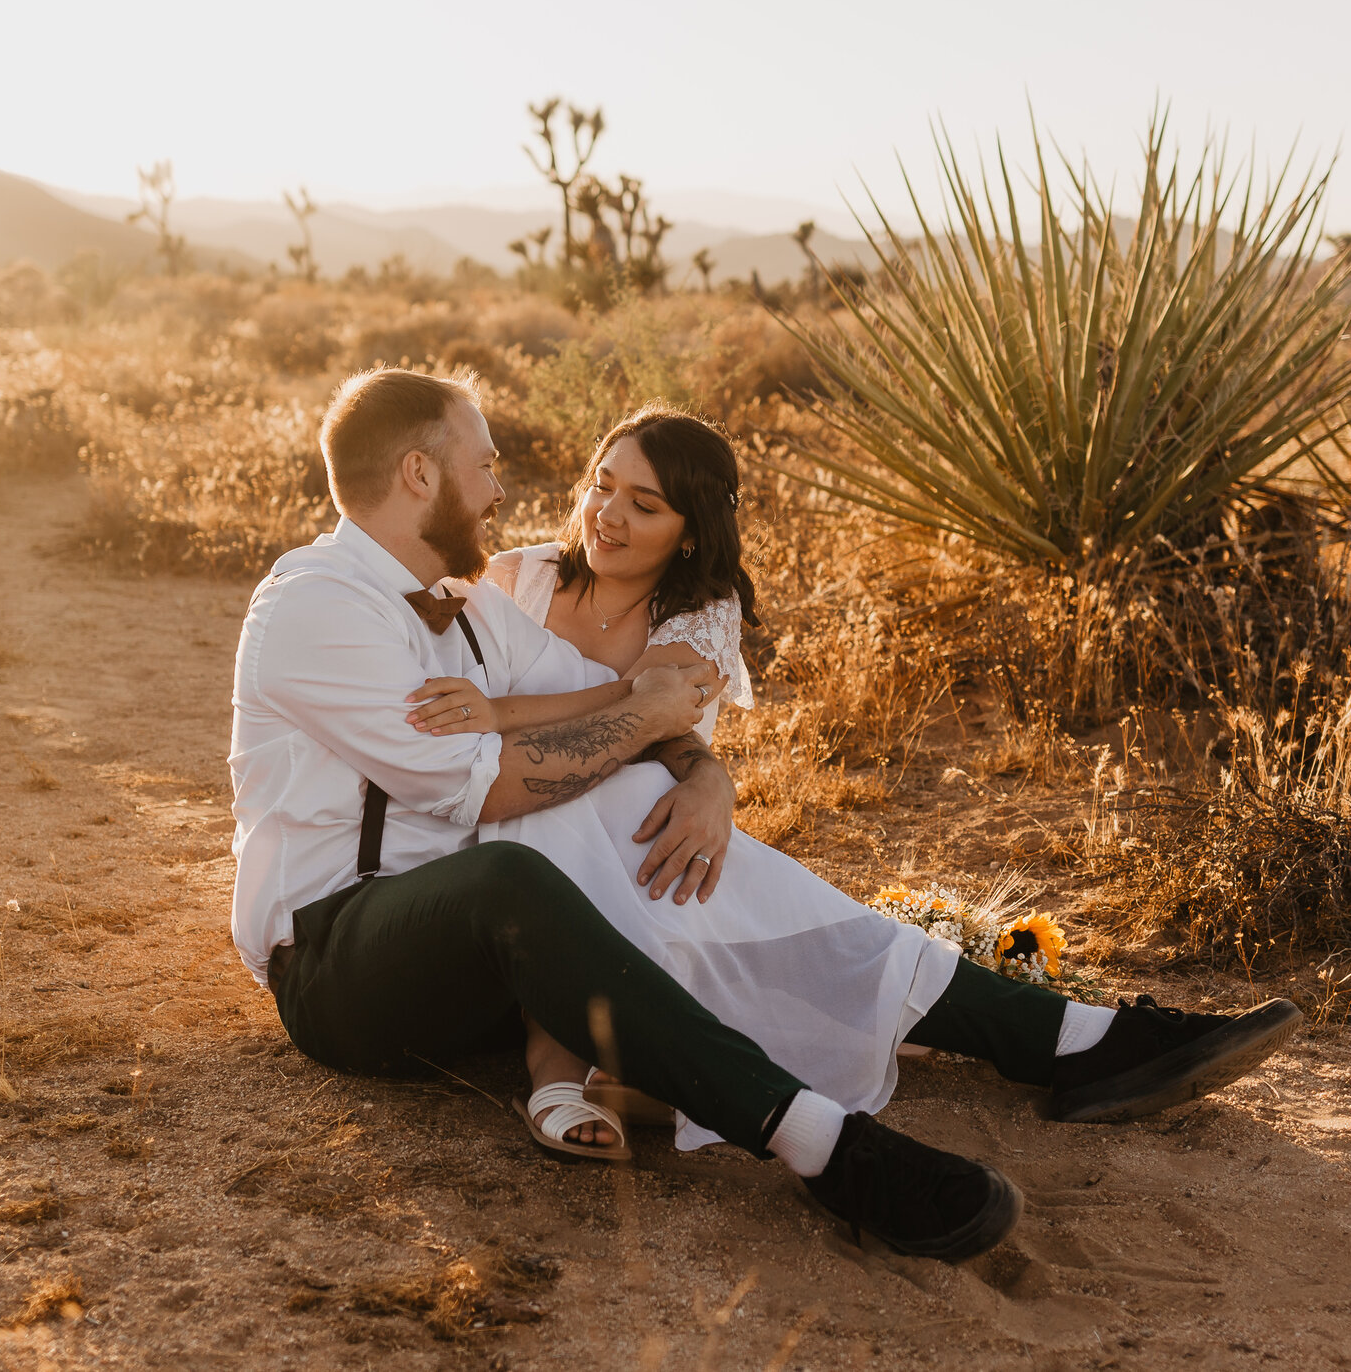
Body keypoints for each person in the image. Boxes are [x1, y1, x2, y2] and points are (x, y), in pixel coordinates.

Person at [229, 368, 1290, 1264]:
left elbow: (621, 709)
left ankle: (1064, 1036)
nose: (504, 488)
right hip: (339, 961)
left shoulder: (466, 612)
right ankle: (825, 1145)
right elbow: (488, 784)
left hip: (469, 969)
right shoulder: (318, 606)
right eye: (485, 463)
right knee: (519, 856)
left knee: (636, 794)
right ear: (420, 475)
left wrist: (703, 771)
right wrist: (639, 712)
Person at [401, 407, 1304, 1157]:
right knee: (673, 844)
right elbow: (597, 711)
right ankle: (1069, 1038)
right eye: (601, 484)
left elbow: (657, 711)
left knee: (703, 858)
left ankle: (1070, 1037)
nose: (606, 514)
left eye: (644, 503)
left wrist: (703, 771)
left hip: (641, 858)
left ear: (689, 533)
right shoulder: (513, 577)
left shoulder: (698, 611)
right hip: (523, 845)